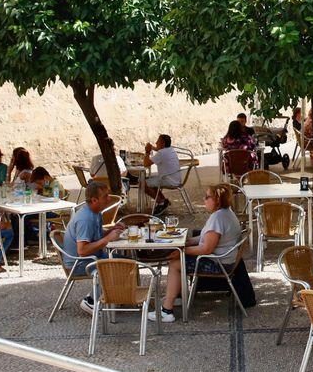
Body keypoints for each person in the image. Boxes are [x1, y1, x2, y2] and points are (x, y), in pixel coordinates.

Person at [148, 185, 244, 323]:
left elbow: (206, 249)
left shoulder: (218, 218)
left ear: (217, 200)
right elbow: (205, 237)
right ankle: (177, 296)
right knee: (178, 259)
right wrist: (187, 242)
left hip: (219, 263)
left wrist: (181, 251)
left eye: (207, 197)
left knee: (175, 263)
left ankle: (167, 310)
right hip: (225, 259)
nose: (204, 199)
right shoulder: (226, 212)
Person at [62, 181, 127, 314]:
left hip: (92, 257)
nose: (109, 199)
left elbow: (95, 235)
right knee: (120, 266)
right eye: (105, 196)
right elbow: (82, 251)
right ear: (94, 200)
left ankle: (118, 296)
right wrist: (107, 239)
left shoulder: (96, 212)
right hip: (79, 264)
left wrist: (111, 230)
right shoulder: (85, 219)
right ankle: (91, 300)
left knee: (128, 263)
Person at [143, 134, 182, 213]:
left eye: (158, 141)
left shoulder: (162, 153)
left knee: (142, 183)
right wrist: (152, 147)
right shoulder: (170, 149)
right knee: (151, 181)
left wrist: (147, 151)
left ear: (163, 143)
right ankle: (164, 201)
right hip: (176, 179)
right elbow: (159, 149)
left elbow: (146, 163)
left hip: (169, 180)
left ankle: (161, 203)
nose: (156, 143)